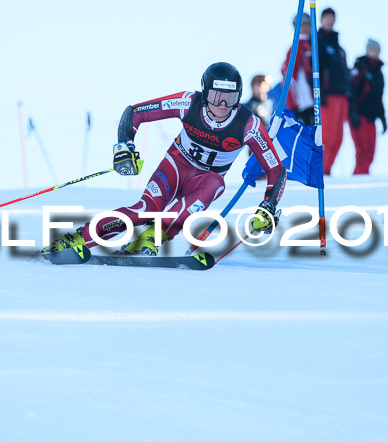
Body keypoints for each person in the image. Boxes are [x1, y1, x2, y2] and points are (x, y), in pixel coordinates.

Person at [44, 62, 287, 256]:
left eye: (230, 98)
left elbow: (276, 170)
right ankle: (77, 238)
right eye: (215, 96)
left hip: (205, 180)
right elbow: (135, 113)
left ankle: (150, 238)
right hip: (175, 168)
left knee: (216, 184)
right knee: (145, 210)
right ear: (205, 94)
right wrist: (125, 146)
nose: (222, 105)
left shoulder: (248, 124)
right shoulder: (188, 103)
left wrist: (268, 205)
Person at [317, 7, 351, 175]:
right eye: (327, 18)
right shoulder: (318, 41)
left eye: (332, 18)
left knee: (338, 137)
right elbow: (314, 69)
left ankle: (327, 170)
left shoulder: (338, 46)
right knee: (328, 136)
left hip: (342, 94)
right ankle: (321, 170)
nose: (330, 21)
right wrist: (319, 92)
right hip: (327, 95)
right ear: (322, 20)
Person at [348, 38, 387, 175]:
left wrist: (383, 117)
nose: (375, 53)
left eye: (377, 50)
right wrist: (352, 113)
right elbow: (351, 91)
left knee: (370, 152)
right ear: (367, 50)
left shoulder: (378, 72)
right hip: (359, 116)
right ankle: (359, 177)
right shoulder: (360, 67)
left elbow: (379, 97)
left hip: (371, 117)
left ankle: (364, 176)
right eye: (373, 50)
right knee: (362, 151)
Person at [282, 12, 314, 126]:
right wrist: (293, 106)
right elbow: (289, 78)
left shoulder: (317, 45)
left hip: (320, 101)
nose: (304, 28)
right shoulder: (296, 47)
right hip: (306, 104)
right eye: (301, 25)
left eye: (307, 25)